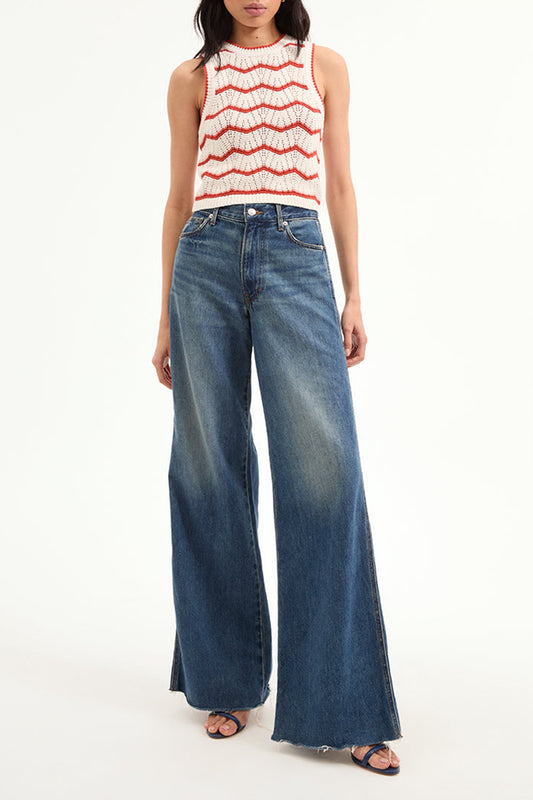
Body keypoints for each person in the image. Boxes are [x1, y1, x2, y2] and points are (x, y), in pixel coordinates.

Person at [152, 0, 403, 775]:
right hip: (204, 261)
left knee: (325, 475)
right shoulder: (192, 77)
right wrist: (163, 317)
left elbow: (340, 186)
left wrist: (354, 295)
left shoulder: (321, 66)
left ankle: (343, 704)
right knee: (208, 469)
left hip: (296, 254)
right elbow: (178, 197)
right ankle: (226, 680)